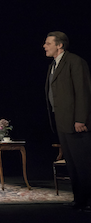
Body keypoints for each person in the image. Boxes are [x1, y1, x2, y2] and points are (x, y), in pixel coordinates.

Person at [44, 31, 91, 212]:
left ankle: (89, 201)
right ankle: (79, 199)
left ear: (59, 45)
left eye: (48, 43)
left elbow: (83, 92)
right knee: (72, 164)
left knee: (84, 164)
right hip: (62, 120)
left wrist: (80, 119)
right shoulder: (53, 65)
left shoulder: (75, 62)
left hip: (76, 122)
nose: (45, 46)